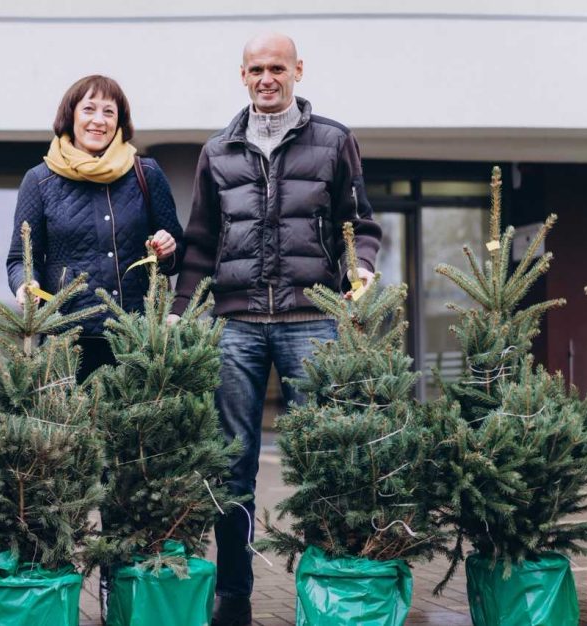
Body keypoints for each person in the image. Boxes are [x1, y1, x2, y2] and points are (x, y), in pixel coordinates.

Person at [170, 34, 382, 626]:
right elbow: (201, 244)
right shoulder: (219, 151)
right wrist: (180, 307)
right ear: (242, 75)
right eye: (257, 69)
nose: (268, 77)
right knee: (232, 461)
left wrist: (360, 267)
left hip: (310, 319)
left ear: (298, 71)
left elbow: (358, 221)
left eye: (278, 68)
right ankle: (233, 593)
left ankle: (323, 586)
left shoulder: (334, 141)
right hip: (235, 324)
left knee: (318, 456)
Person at [6, 75, 184, 382]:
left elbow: (176, 253)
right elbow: (20, 259)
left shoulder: (147, 172)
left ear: (120, 122)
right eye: (89, 109)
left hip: (138, 337)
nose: (98, 121)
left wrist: (168, 249)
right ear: (71, 115)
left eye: (109, 112)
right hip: (67, 340)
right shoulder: (39, 180)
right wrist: (25, 285)